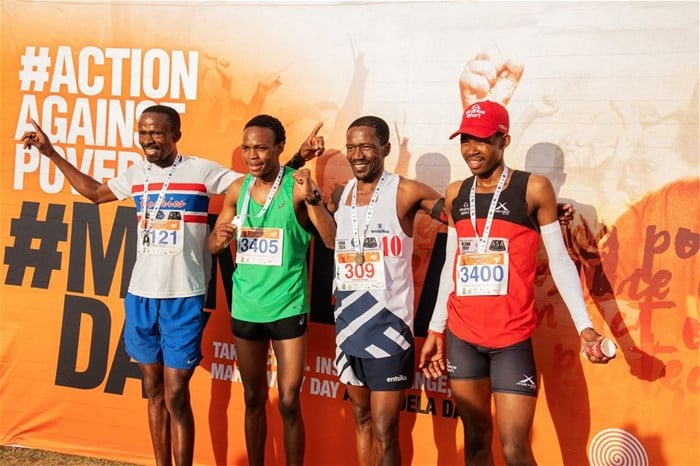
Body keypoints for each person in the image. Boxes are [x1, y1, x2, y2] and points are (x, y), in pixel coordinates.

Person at [22, 105, 240, 466]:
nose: (149, 139)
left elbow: (251, 187)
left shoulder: (200, 170)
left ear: (176, 135)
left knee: (176, 393)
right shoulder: (137, 174)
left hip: (183, 296)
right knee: (153, 390)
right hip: (140, 296)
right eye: (143, 132)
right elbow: (95, 193)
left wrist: (226, 224)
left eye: (157, 132)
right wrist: (51, 153)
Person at [419, 100, 611, 466]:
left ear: (504, 140)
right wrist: (435, 328)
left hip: (511, 339)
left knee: (515, 449)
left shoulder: (534, 188)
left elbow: (559, 260)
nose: (471, 150)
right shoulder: (456, 192)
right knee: (476, 440)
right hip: (462, 336)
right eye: (465, 140)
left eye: (481, 140)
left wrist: (584, 326)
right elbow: (451, 266)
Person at [208, 114, 336, 466]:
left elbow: (331, 240)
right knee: (253, 398)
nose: (252, 155)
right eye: (247, 148)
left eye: (261, 148)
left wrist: (313, 199)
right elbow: (214, 246)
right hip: (246, 308)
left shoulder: (297, 185)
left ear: (279, 148)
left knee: (289, 401)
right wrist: (219, 238)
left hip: (288, 307)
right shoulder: (238, 189)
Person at [326, 116, 446, 466]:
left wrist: (536, 216)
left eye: (366, 146)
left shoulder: (407, 191)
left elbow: (463, 216)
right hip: (348, 326)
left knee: (384, 428)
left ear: (386, 149)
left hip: (389, 328)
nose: (357, 154)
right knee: (361, 418)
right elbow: (323, 223)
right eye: (351, 147)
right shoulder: (342, 194)